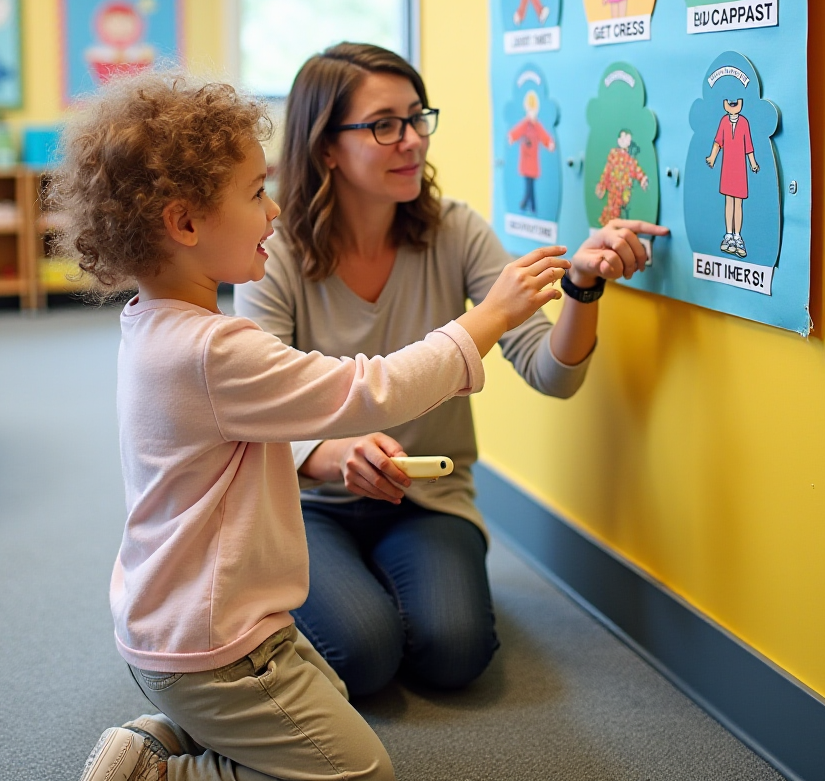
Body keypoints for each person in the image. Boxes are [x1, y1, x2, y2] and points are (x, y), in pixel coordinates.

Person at [52, 74, 572, 781]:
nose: (273, 210)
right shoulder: (213, 352)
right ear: (184, 224)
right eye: (254, 194)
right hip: (216, 646)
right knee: (362, 773)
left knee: (338, 695)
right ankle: (162, 771)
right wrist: (488, 319)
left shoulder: (154, 324)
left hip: (196, 624)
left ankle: (169, 732)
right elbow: (372, 390)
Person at [234, 43, 667, 697]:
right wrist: (334, 455)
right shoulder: (275, 252)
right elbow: (260, 410)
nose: (412, 140)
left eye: (417, 117)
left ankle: (372, 586)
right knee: (363, 656)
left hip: (426, 496)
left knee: (454, 656)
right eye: (385, 125)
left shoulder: (456, 231)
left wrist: (580, 285)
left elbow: (553, 375)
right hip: (308, 506)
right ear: (326, 148)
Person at [705, 95, 758, 257]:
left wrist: (753, 163)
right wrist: (712, 157)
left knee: (738, 204)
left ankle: (737, 236)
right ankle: (728, 235)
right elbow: (718, 142)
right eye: (729, 102)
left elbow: (748, 146)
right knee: (729, 202)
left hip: (740, 169)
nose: (732, 104)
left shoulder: (744, 123)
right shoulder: (723, 121)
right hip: (727, 168)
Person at [507, 89, 555, 213]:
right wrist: (512, 137)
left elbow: (544, 136)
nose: (531, 114)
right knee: (528, 184)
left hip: (533, 162)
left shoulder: (537, 126)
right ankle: (530, 205)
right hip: (525, 160)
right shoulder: (525, 124)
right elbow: (516, 131)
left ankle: (528, 204)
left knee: (530, 185)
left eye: (533, 111)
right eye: (529, 111)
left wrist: (549, 144)